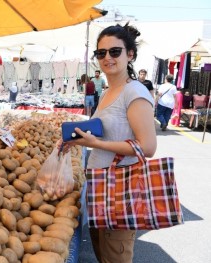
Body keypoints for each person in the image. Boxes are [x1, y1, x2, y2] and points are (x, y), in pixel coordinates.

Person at [59, 23, 157, 262]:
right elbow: (107, 133)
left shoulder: (134, 92)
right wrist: (78, 141)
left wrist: (97, 144)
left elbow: (147, 147)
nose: (107, 58)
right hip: (99, 186)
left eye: (115, 51)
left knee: (115, 255)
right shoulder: (108, 92)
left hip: (120, 190)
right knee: (103, 253)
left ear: (130, 54)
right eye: (101, 53)